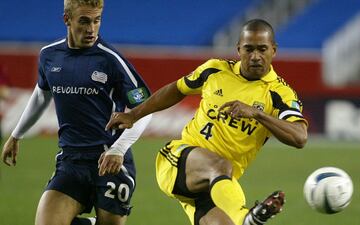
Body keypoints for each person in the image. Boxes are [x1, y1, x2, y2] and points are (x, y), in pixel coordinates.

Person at [105, 19, 308, 225]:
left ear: (273, 50)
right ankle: (248, 218)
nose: (255, 56)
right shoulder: (214, 70)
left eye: (262, 49)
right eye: (249, 49)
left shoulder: (280, 94)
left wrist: (258, 115)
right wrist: (134, 114)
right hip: (178, 161)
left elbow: (300, 137)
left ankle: (245, 219)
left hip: (217, 186)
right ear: (239, 49)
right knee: (220, 165)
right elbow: (176, 89)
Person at [1, 0, 152, 225]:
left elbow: (146, 110)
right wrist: (16, 135)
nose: (91, 29)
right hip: (71, 160)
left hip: (108, 160)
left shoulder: (111, 60)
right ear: (67, 19)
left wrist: (118, 149)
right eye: (84, 21)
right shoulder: (49, 56)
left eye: (96, 21)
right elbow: (42, 94)